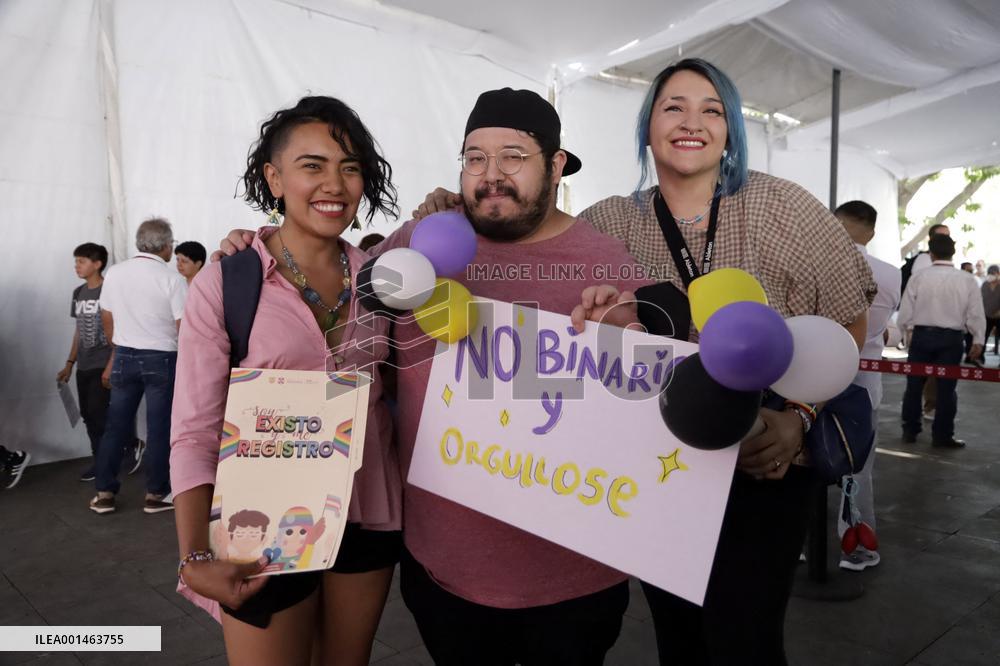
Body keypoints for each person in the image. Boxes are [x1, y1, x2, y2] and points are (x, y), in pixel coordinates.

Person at [409, 60, 874, 665]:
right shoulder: (609, 221)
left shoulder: (786, 206)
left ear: (731, 127)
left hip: (762, 455)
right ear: (648, 127)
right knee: (678, 638)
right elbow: (546, 259)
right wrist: (449, 206)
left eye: (711, 109)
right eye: (673, 107)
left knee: (747, 638)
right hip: (662, 465)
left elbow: (846, 323)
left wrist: (800, 417)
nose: (691, 123)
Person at [220, 88, 648, 666]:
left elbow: (654, 404)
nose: (491, 175)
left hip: (575, 579)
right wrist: (256, 247)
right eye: (475, 158)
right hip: (442, 571)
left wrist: (629, 342)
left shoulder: (608, 262)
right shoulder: (412, 247)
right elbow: (334, 313)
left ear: (555, 165)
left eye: (514, 157)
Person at [171, 96, 403, 666]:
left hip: (367, 512)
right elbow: (194, 430)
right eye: (312, 165)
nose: (335, 184)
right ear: (274, 178)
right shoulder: (227, 283)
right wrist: (195, 555)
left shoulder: (385, 283)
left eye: (350, 168)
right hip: (260, 524)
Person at [91, 218, 188, 514]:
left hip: (124, 355)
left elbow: (107, 316)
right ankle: (156, 493)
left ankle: (104, 492)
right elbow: (183, 326)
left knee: (116, 425)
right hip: (162, 357)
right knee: (159, 427)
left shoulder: (115, 273)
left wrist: (117, 348)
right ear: (166, 245)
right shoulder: (172, 279)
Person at [833, 200, 901, 572]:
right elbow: (884, 324)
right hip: (865, 382)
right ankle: (857, 545)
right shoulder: (890, 274)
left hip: (812, 379)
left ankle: (796, 544)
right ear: (871, 232)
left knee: (797, 461)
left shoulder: (818, 265)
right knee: (858, 467)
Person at [57, 243, 144, 482]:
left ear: (97, 264)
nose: (77, 266)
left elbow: (120, 329)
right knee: (88, 414)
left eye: (82, 261)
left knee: (100, 412)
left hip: (104, 362)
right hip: (84, 365)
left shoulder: (110, 290)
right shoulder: (78, 293)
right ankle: (103, 458)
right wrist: (70, 362)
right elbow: (78, 330)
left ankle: (122, 450)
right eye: (76, 261)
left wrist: (112, 364)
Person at [898, 234, 985, 448]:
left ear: (931, 253)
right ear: (953, 253)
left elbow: (906, 311)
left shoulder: (919, 276)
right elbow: (975, 313)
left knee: (914, 386)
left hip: (922, 336)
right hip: (951, 339)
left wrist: (906, 333)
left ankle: (910, 431)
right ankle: (942, 436)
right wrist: (978, 339)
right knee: (947, 389)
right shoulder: (966, 279)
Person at [982, 264, 1000, 360]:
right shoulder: (985, 285)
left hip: (999, 316)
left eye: (993, 273)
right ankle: (980, 357)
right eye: (989, 273)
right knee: (983, 337)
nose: (990, 275)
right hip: (986, 316)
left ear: (998, 274)